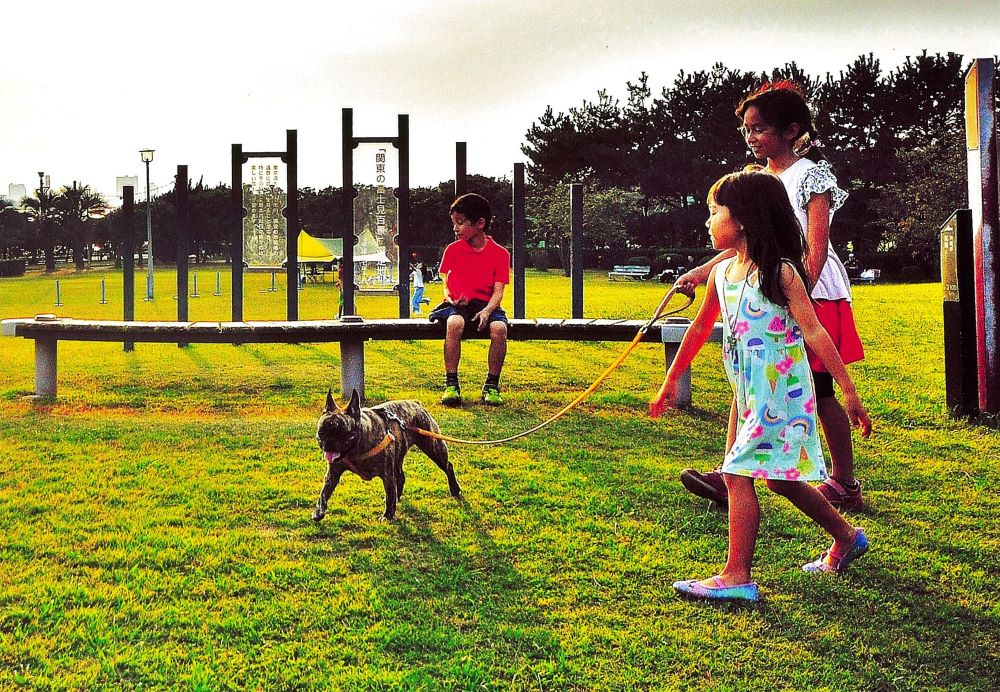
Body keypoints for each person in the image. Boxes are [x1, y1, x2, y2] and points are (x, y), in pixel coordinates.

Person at [650, 170, 872, 602]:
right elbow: (698, 330)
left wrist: (848, 390)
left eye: (715, 213)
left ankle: (737, 576)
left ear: (745, 219)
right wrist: (669, 382)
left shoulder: (782, 272)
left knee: (735, 475)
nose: (708, 222)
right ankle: (847, 538)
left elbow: (815, 332)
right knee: (779, 481)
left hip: (781, 391)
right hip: (747, 393)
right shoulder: (723, 275)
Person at [674, 81, 866, 511]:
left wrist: (796, 296)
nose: (751, 136)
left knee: (819, 387)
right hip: (773, 285)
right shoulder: (757, 181)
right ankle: (731, 472)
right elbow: (744, 242)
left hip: (811, 290)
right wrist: (702, 272)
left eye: (759, 128)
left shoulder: (811, 175)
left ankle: (844, 481)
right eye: (747, 130)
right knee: (751, 381)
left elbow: (814, 247)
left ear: (791, 130)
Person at [428, 193, 510, 406]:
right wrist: (449, 298)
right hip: (458, 305)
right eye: (454, 223)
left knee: (500, 329)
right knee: (455, 323)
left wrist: (487, 311)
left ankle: (491, 385)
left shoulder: (500, 254)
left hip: (487, 305)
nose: (455, 228)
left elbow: (498, 292)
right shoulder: (453, 250)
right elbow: (445, 280)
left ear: (480, 223)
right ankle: (451, 384)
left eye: (460, 222)